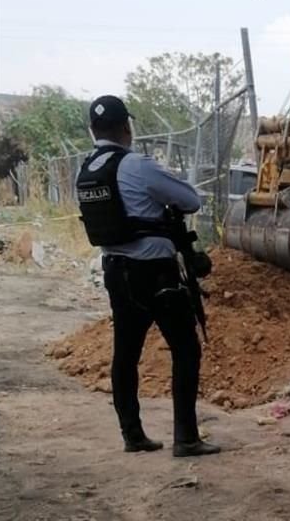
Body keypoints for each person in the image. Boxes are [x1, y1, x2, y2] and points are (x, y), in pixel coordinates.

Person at [75, 95, 220, 457]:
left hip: (115, 273)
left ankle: (133, 435)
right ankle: (186, 438)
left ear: (93, 130)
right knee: (186, 349)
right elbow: (191, 200)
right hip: (155, 275)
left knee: (125, 353)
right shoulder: (136, 165)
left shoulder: (86, 169)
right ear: (126, 127)